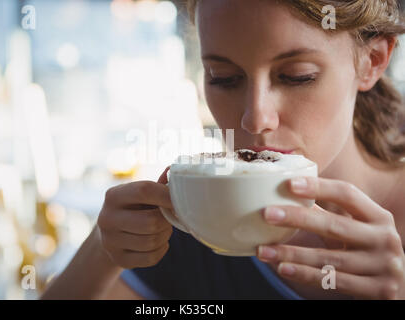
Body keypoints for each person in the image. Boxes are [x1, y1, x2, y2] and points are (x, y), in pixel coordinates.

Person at [41, 0, 405, 300]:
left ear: (372, 60)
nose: (255, 118)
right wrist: (103, 251)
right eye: (224, 78)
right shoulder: (198, 223)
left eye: (297, 76)